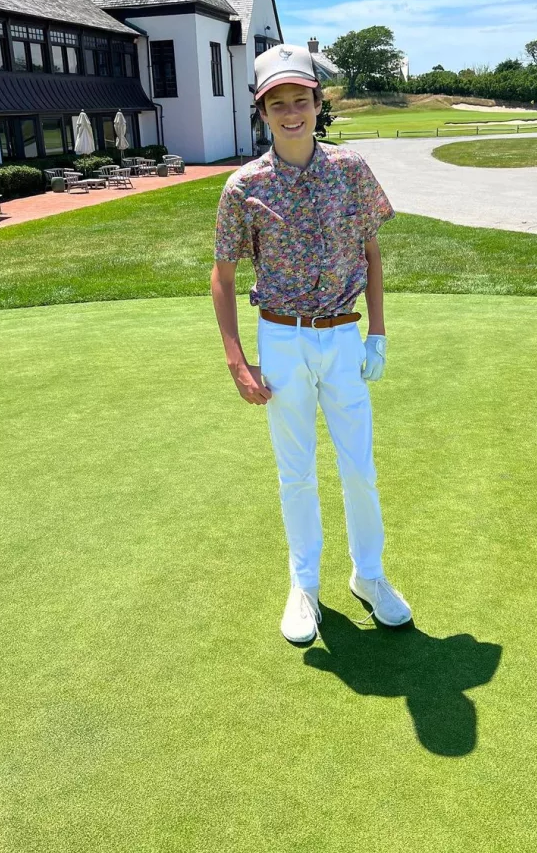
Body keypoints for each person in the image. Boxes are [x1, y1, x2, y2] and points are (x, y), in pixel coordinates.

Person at [210, 44, 413, 644]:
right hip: (280, 338)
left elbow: (372, 253)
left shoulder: (351, 170)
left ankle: (369, 577)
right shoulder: (243, 187)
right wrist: (236, 361)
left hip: (342, 337)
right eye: (279, 103)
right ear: (262, 111)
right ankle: (305, 585)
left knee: (360, 466)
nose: (291, 112)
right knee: (295, 471)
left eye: (301, 99)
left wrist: (377, 330)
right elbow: (223, 279)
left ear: (318, 103)